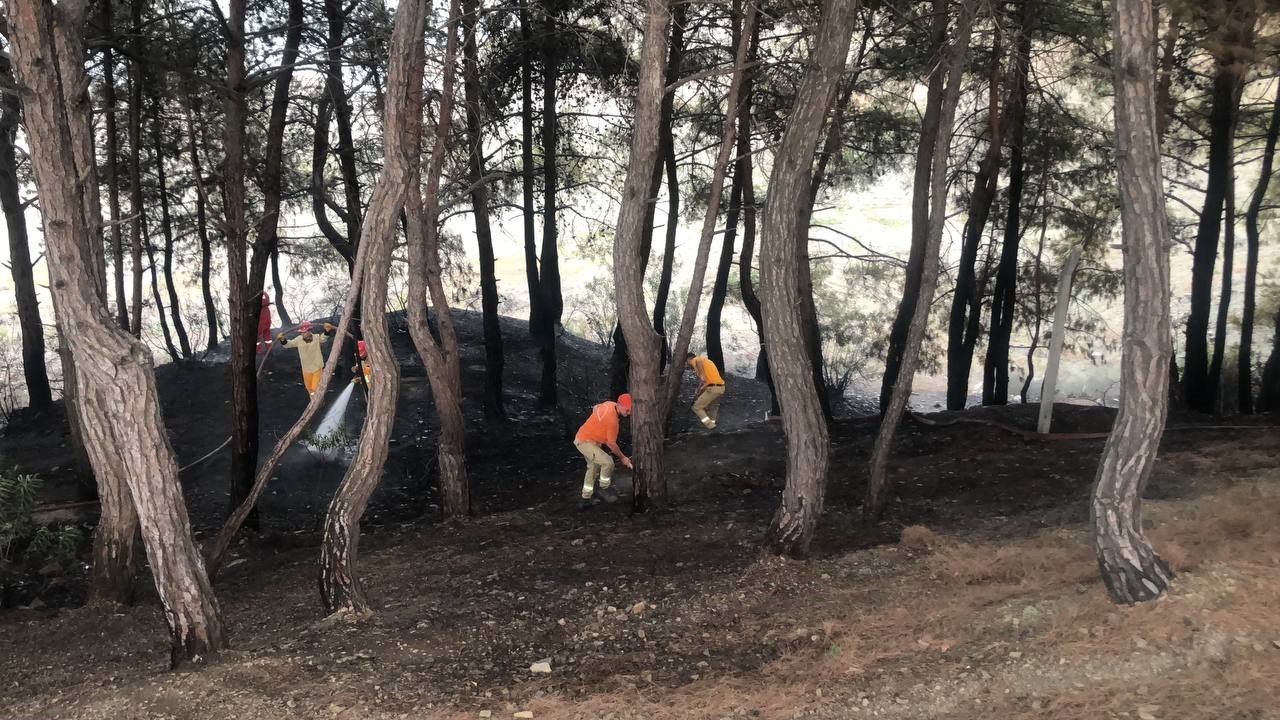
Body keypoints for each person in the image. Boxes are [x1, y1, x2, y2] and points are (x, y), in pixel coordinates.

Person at [573, 393, 633, 508]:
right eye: (627, 410)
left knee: (594, 467)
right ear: (619, 405)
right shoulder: (613, 421)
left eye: (630, 410)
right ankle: (604, 488)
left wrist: (597, 425)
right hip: (584, 442)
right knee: (607, 462)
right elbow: (611, 444)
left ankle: (585, 499)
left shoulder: (610, 404)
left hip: (590, 440)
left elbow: (596, 407)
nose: (629, 413)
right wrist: (623, 458)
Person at [277, 320, 336, 396]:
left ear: (309, 331)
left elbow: (323, 338)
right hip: (306, 369)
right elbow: (288, 344)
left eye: (305, 332)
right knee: (309, 388)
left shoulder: (316, 337)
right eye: (302, 332)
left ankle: (317, 400)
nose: (303, 334)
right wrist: (282, 339)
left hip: (317, 368)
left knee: (315, 388)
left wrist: (327, 331)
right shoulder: (298, 339)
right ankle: (314, 401)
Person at [685, 352, 725, 429]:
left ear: (689, 358)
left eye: (686, 361)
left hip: (713, 388)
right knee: (713, 407)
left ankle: (710, 425)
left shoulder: (696, 359)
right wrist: (699, 389)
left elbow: (698, 362)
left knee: (696, 407)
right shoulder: (707, 361)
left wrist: (701, 375)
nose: (687, 363)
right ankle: (712, 424)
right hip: (721, 388)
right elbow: (706, 382)